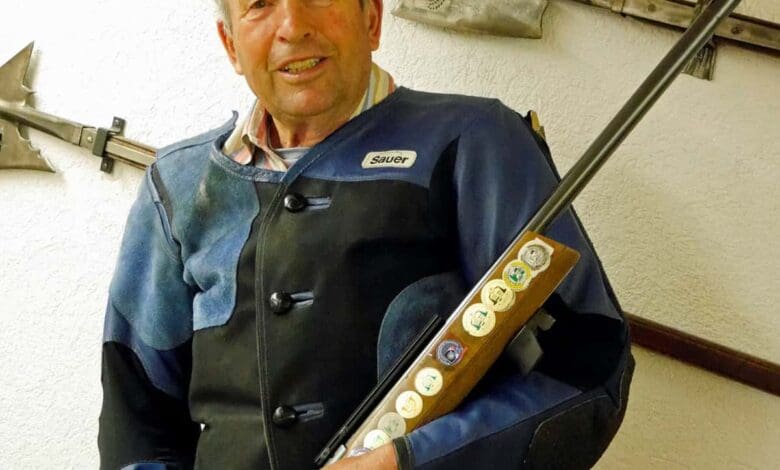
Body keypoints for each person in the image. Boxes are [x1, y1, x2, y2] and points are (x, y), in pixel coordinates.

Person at [98, 0, 634, 469]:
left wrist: (407, 461)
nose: (293, 26)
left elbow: (590, 367)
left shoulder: (476, 142)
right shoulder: (178, 183)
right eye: (259, 3)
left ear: (371, 18)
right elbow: (136, 414)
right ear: (230, 43)